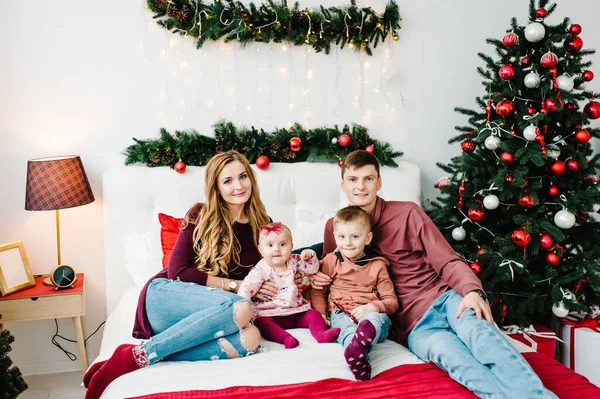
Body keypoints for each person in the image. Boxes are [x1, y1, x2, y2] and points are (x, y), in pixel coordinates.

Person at [311, 150, 558, 399]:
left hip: (445, 299)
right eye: (353, 179)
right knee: (461, 365)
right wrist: (313, 273)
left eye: (368, 178)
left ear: (379, 182)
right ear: (343, 184)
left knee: (483, 339)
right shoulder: (336, 228)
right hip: (414, 327)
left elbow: (447, 260)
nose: (361, 186)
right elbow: (331, 269)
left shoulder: (408, 213)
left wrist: (471, 291)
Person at [84, 150, 278, 399]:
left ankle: (139, 353)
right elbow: (179, 271)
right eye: (227, 181)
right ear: (216, 187)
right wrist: (236, 285)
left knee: (251, 339)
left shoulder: (263, 224)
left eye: (243, 176)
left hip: (211, 312)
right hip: (167, 296)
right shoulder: (201, 215)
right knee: (242, 308)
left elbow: (272, 267)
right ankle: (141, 355)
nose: (238, 186)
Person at [311, 206, 398, 381]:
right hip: (341, 312)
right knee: (346, 329)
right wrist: (321, 314)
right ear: (335, 236)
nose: (348, 243)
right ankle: (356, 352)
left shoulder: (377, 265)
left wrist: (372, 307)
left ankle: (363, 338)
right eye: (342, 237)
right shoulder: (331, 261)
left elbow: (391, 301)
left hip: (373, 313)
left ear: (368, 238)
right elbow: (318, 291)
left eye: (355, 237)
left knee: (373, 321)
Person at [238, 222, 341, 348]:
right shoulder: (260, 270)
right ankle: (286, 339)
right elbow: (246, 289)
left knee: (314, 314)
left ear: (292, 245)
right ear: (260, 249)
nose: (276, 249)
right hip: (270, 314)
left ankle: (321, 334)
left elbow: (312, 270)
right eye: (270, 245)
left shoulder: (294, 260)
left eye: (282, 244)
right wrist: (244, 311)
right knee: (262, 324)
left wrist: (310, 257)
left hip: (296, 312)